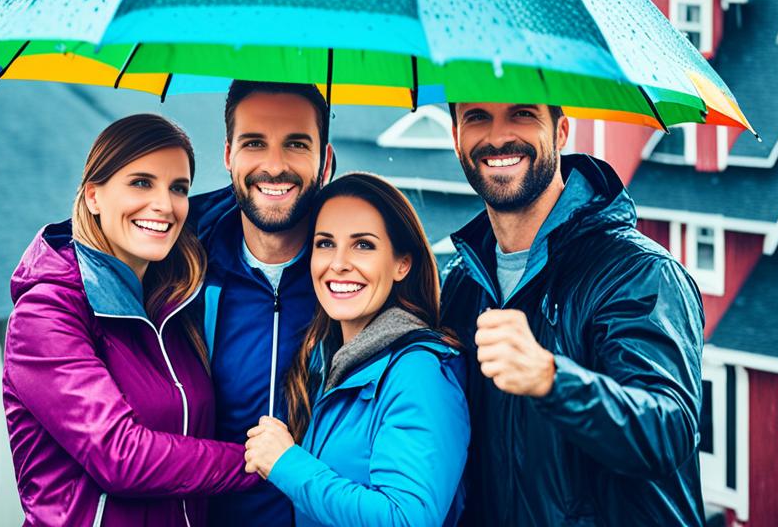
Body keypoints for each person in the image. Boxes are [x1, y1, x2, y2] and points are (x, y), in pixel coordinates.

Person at [440, 101, 705, 526]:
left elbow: (667, 431)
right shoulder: (461, 284)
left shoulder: (639, 273)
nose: (497, 136)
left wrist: (552, 379)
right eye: (476, 117)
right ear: (456, 138)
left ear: (561, 132)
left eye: (522, 113)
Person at [3, 114, 258, 527]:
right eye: (141, 182)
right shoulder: (47, 314)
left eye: (178, 188)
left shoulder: (170, 308)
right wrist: (258, 465)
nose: (163, 205)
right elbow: (120, 456)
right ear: (93, 196)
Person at [244, 172, 469, 527]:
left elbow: (406, 519)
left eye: (363, 244)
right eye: (325, 243)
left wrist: (286, 463)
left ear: (402, 263)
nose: (339, 263)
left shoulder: (420, 373)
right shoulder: (332, 362)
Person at [190, 81, 334, 527]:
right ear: (229, 154)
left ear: (325, 161)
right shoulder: (179, 264)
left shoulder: (357, 277)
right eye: (255, 143)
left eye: (296, 144)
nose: (275, 166)